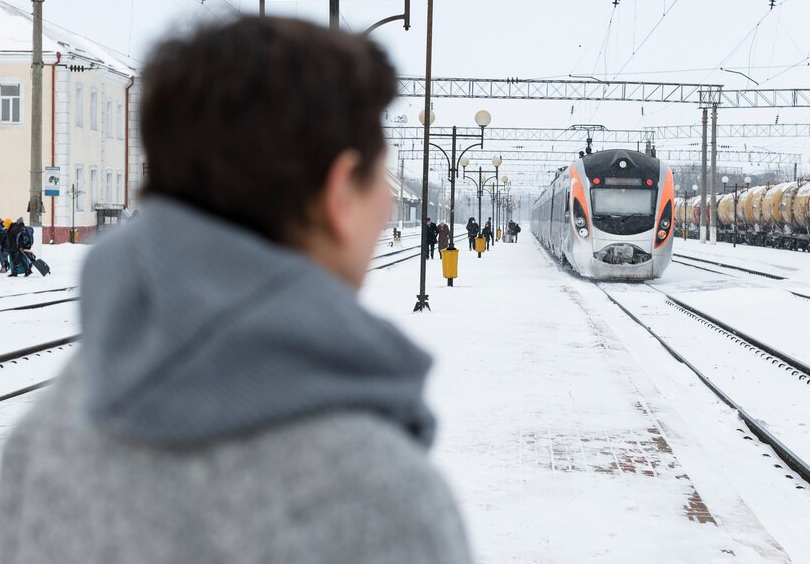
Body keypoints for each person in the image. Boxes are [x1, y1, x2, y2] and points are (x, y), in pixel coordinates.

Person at [0, 17, 471, 564]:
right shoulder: (380, 498)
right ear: (341, 193)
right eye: (377, 179)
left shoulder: (39, 446)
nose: (388, 206)